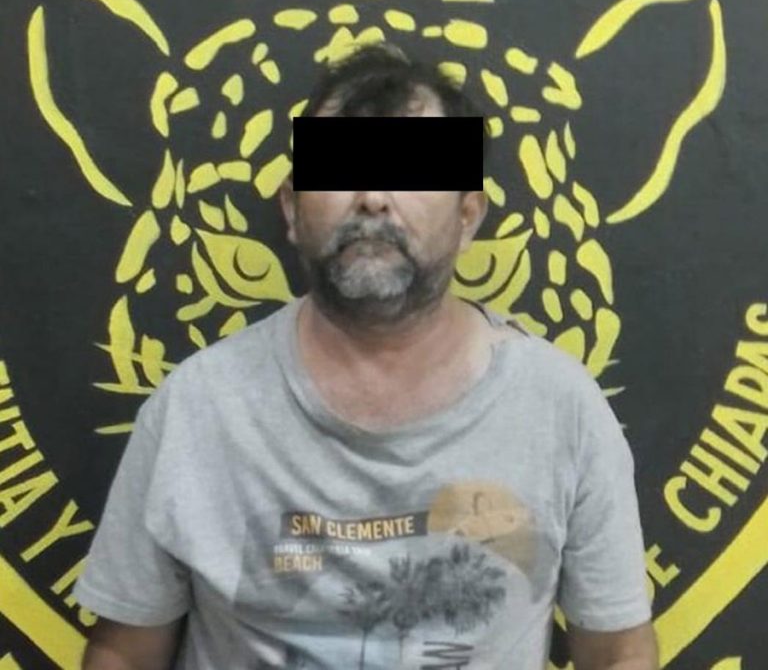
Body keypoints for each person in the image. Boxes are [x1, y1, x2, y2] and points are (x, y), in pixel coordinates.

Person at [74, 43, 659, 670]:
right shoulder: (197, 407)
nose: (374, 197)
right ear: (292, 209)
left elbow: (619, 654)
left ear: (468, 216)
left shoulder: (561, 408)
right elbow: (123, 655)